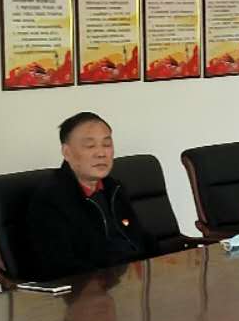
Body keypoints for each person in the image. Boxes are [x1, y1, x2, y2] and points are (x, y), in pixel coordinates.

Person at [21, 112, 160, 281]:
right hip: (91, 288)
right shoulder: (50, 200)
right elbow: (60, 266)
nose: (101, 153)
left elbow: (140, 238)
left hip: (135, 281)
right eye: (90, 146)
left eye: (107, 144)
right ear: (67, 152)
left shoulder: (114, 188)